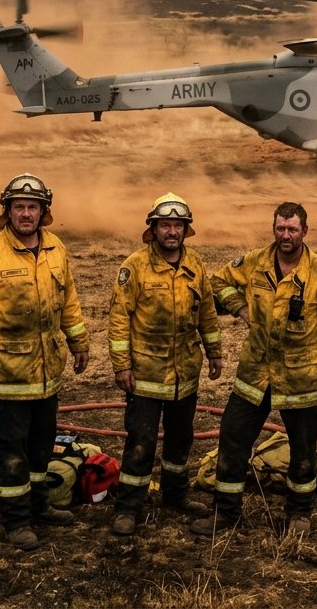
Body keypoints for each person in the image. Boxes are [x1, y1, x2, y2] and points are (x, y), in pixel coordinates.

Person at [189, 202, 317, 538]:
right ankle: (226, 514)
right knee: (233, 437)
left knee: (303, 447)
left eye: (292, 229)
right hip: (256, 372)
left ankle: (299, 514)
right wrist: (241, 307)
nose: (285, 235)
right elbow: (218, 283)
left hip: (300, 377)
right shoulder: (255, 262)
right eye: (280, 228)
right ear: (273, 229)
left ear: (305, 231)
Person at [0, 174, 90, 552]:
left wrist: (78, 340)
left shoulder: (56, 249)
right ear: (7, 211)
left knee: (41, 446)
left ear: (44, 211)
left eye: (33, 207)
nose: (26, 213)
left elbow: (69, 300)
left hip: (47, 375)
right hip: (7, 375)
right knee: (11, 450)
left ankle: (37, 505)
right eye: (19, 207)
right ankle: (15, 519)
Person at [108, 193, 223, 537]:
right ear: (153, 228)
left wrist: (215, 351)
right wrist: (121, 365)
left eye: (177, 225)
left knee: (180, 440)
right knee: (140, 441)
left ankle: (175, 495)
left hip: (185, 375)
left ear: (186, 230)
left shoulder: (196, 266)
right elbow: (118, 319)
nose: (171, 231)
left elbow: (207, 314)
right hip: (145, 374)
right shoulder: (135, 266)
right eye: (164, 225)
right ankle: (129, 506)